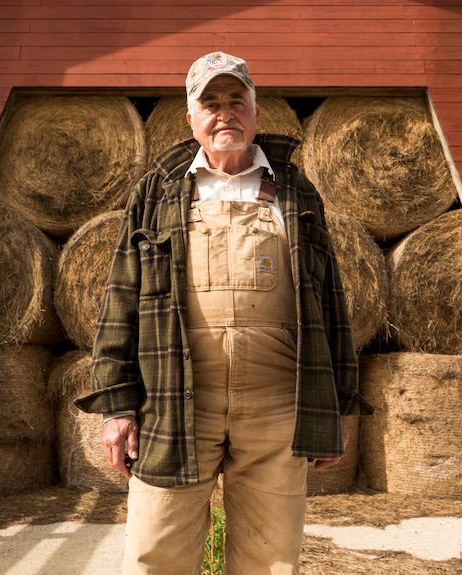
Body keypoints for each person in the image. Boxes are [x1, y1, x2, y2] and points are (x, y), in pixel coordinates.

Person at [75, 51, 372, 575]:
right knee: (155, 554)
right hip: (175, 400)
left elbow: (330, 304)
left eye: (237, 100)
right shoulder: (157, 191)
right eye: (210, 103)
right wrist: (118, 405)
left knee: (272, 558)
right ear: (190, 117)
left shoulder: (296, 190)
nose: (224, 113)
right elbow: (119, 298)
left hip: (277, 406)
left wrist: (338, 405)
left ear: (256, 112)